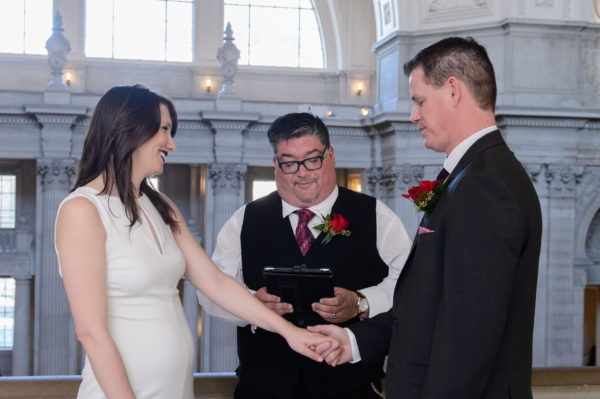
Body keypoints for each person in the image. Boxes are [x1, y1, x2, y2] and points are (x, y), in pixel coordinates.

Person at [54, 85, 337, 399]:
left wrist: (290, 333)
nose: (171, 144)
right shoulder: (82, 209)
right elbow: (91, 332)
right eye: (164, 130)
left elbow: (215, 282)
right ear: (129, 127)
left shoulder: (160, 204)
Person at [311, 36, 543, 398]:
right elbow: (429, 307)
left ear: (453, 91)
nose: (413, 115)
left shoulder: (483, 186)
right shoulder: (474, 175)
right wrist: (354, 340)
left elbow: (468, 337)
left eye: (419, 101)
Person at [197, 112, 412, 398]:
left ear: (330, 155)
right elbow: (210, 291)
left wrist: (362, 302)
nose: (302, 172)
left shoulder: (376, 216)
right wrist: (250, 305)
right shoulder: (243, 220)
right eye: (289, 163)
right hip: (263, 389)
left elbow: (410, 285)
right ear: (275, 164)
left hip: (351, 389)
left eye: (313, 159)